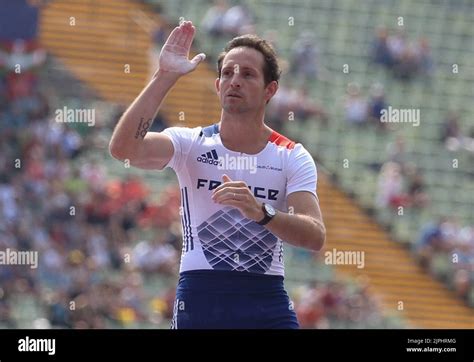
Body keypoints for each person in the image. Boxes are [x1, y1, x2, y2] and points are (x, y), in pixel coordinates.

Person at [109, 21, 326, 329]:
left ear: (270, 90)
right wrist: (164, 77)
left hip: (265, 298)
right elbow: (124, 150)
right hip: (200, 297)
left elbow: (315, 235)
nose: (234, 80)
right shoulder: (191, 143)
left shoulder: (291, 155)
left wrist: (262, 213)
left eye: (247, 74)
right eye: (227, 73)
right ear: (217, 85)